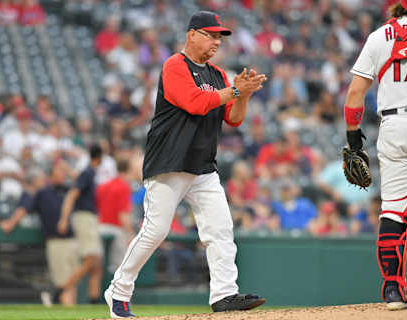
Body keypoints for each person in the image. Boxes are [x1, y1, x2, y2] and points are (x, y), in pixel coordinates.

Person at [104, 11, 267, 318]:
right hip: (169, 161)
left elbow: (234, 117)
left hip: (202, 165)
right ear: (192, 34)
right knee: (155, 231)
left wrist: (242, 95)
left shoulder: (217, 75)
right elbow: (194, 103)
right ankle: (118, 290)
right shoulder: (174, 65)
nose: (217, 41)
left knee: (220, 230)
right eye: (211, 34)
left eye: (220, 37)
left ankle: (224, 294)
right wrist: (235, 90)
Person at [342, 0, 407, 310]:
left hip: (393, 126)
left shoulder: (377, 36)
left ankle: (393, 290)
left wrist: (353, 139)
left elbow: (355, 95)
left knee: (393, 209)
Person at [0, 166, 80, 305]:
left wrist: (68, 169)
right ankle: (69, 312)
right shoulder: (43, 193)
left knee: (72, 282)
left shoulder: (68, 190)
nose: (61, 177)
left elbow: (83, 182)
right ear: (50, 177)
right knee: (63, 282)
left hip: (73, 240)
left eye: (62, 174)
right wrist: (12, 222)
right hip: (56, 241)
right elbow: (25, 208)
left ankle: (71, 310)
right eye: (58, 173)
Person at [58, 145, 104, 304]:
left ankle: (94, 300)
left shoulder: (88, 173)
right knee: (91, 259)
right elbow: (71, 195)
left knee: (97, 263)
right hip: (84, 217)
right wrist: (64, 219)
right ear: (99, 158)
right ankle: (61, 289)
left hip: (89, 217)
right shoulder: (87, 172)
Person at [96, 157, 135, 273]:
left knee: (100, 267)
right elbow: (123, 215)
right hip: (116, 230)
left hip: (99, 228)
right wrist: (131, 233)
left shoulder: (103, 185)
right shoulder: (123, 186)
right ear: (128, 170)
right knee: (121, 269)